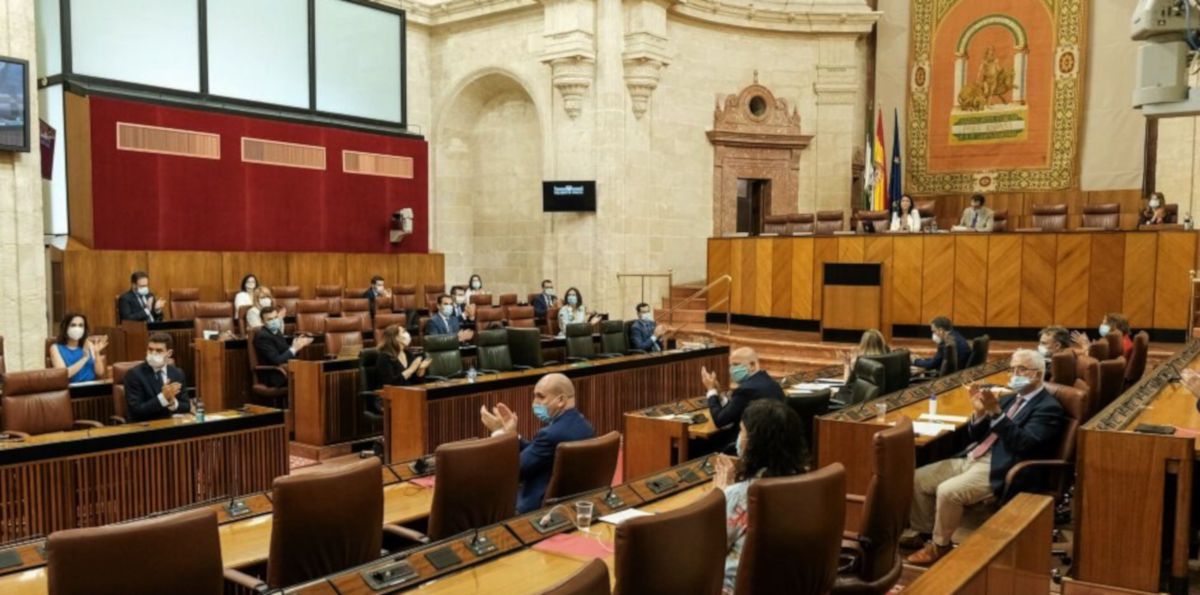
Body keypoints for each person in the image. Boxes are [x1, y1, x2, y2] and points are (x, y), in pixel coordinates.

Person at [906, 349, 1065, 565]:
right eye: (1012, 369)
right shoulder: (1010, 399)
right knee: (918, 479)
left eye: (1021, 369)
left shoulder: (1049, 408)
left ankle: (940, 546)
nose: (1014, 374)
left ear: (1037, 375)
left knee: (948, 491)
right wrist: (980, 413)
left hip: (1001, 465)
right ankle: (927, 536)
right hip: (973, 456)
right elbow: (979, 435)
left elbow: (1025, 444)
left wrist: (996, 414)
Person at [713, 400, 807, 594]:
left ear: (753, 443)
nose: (738, 439)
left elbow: (708, 549)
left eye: (741, 432)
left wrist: (718, 497)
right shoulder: (806, 484)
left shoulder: (741, 495)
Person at [479, 373, 596, 513]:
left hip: (534, 509)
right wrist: (511, 434)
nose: (534, 402)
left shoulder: (550, 435)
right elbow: (539, 452)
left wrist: (498, 432)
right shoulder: (586, 427)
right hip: (569, 504)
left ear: (561, 400)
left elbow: (513, 472)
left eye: (540, 396)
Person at [702, 348, 785, 435]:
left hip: (753, 442)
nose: (732, 370)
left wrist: (711, 390)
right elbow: (733, 411)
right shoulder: (770, 382)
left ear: (752, 365)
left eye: (736, 364)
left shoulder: (746, 390)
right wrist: (720, 395)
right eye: (731, 365)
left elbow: (720, 421)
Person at [123, 332, 192, 421]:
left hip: (172, 426)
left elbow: (186, 406)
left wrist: (172, 403)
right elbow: (136, 411)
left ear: (169, 353)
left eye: (159, 351)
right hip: (146, 428)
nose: (153, 354)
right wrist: (163, 398)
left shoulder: (177, 373)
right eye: (150, 350)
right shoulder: (134, 375)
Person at [252, 306, 314, 388]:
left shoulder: (276, 331)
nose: (274, 321)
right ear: (263, 322)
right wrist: (294, 349)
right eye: (270, 319)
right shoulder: (263, 336)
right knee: (306, 377)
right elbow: (277, 360)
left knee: (311, 372)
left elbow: (284, 350)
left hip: (284, 370)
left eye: (275, 317)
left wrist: (298, 345)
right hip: (274, 374)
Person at [50, 313, 108, 383]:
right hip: (72, 389)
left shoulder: (89, 344)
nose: (77, 329)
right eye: (73, 325)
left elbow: (100, 372)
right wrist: (84, 358)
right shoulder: (55, 348)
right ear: (65, 328)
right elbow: (63, 375)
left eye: (81, 326)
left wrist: (96, 353)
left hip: (92, 386)